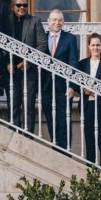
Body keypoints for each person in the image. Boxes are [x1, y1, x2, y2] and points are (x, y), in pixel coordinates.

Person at [73, 33, 101, 170]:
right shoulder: (82, 64)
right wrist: (83, 90)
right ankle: (90, 171)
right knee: (89, 139)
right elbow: (76, 83)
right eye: (93, 45)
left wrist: (96, 91)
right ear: (88, 46)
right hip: (87, 106)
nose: (95, 48)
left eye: (98, 45)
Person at [2, 0, 46, 131]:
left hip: (29, 72)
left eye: (25, 5)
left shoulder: (35, 21)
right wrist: (6, 63)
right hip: (11, 71)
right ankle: (14, 136)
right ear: (12, 7)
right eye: (18, 5)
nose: (22, 7)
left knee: (29, 107)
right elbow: (0, 42)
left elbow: (42, 45)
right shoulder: (5, 21)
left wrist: (28, 62)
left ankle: (28, 137)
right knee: (13, 106)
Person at [41, 9, 79, 149]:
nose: (57, 22)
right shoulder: (42, 38)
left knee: (64, 121)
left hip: (63, 87)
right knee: (51, 120)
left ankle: (65, 153)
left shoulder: (70, 38)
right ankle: (55, 150)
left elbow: (73, 62)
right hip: (45, 87)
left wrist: (72, 86)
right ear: (48, 21)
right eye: (54, 20)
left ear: (63, 22)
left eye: (60, 20)